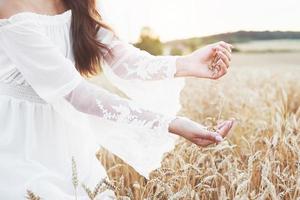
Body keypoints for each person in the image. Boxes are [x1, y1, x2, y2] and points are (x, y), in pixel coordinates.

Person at [0, 0, 234, 199]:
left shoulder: (77, 3)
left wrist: (187, 63)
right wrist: (170, 123)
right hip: (18, 141)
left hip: (65, 141)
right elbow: (77, 94)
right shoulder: (8, 6)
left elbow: (125, 61)